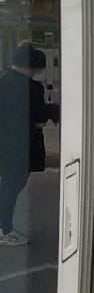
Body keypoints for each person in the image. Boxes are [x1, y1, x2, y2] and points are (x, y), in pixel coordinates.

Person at [0, 43, 56, 246]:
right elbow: (39, 116)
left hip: (4, 145)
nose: (37, 73)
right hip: (22, 146)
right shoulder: (32, 88)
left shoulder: (3, 82)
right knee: (12, 188)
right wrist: (54, 110)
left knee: (7, 186)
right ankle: (4, 229)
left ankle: (3, 227)